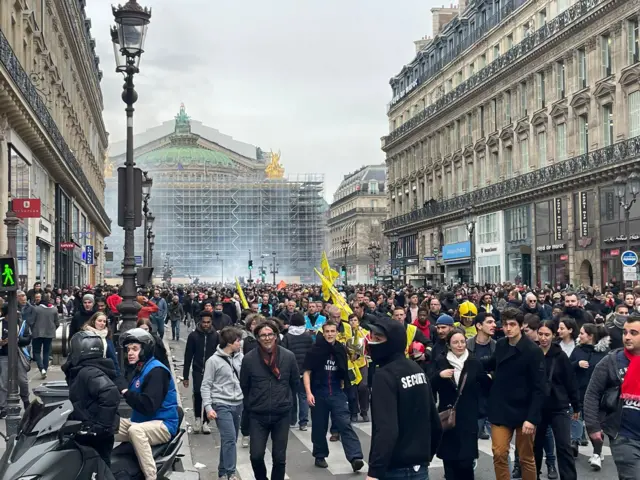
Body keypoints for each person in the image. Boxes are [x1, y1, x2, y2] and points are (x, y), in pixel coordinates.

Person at [366, 315, 442, 480]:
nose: (372, 342)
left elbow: (386, 430)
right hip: (419, 467)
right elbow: (435, 422)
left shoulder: (384, 376)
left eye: (378, 338)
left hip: (394, 469)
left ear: (392, 342)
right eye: (372, 337)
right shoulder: (416, 369)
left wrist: (374, 472)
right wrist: (425, 456)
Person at [484, 308, 546, 480]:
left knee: (526, 457)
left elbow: (540, 387)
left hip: (524, 410)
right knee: (499, 452)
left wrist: (532, 418)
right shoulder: (502, 345)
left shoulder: (533, 351)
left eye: (512, 325)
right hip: (501, 407)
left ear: (521, 326)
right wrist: (468, 360)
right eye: (505, 325)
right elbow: (490, 363)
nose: (508, 328)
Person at [240, 319, 299, 480]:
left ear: (276, 336)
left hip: (281, 413)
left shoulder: (288, 357)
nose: (267, 338)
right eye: (263, 335)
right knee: (256, 456)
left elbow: (295, 383)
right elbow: (244, 386)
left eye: (270, 334)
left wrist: (291, 407)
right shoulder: (249, 359)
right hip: (258, 414)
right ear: (257, 338)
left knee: (279, 458)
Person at [302, 320, 365, 471]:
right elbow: (306, 372)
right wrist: (309, 393)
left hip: (336, 392)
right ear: (323, 334)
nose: (330, 334)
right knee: (319, 427)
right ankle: (320, 455)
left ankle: (355, 457)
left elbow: (345, 368)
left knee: (345, 423)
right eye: (327, 332)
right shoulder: (315, 350)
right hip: (319, 392)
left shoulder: (340, 349)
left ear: (337, 333)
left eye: (332, 331)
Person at [118, 328, 180, 480]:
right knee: (107, 424)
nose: (130, 353)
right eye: (128, 349)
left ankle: (151, 476)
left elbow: (148, 405)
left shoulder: (156, 370)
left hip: (163, 424)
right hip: (142, 421)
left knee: (135, 431)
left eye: (135, 349)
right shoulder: (139, 369)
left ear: (145, 350)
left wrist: (126, 392)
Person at [584, 314, 640, 479]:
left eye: (634, 333)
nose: (627, 337)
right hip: (624, 437)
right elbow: (592, 393)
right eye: (625, 332)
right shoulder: (612, 361)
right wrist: (593, 427)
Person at [431, 328, 491, 479]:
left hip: (468, 417)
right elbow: (429, 384)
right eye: (455, 342)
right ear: (449, 345)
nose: (459, 345)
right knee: (450, 462)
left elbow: (484, 385)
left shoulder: (473, 362)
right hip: (448, 416)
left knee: (466, 462)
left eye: (462, 342)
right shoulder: (441, 361)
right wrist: (439, 375)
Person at [63, 331, 121, 467]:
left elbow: (110, 392)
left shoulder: (89, 372)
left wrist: (100, 426)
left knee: (99, 469)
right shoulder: (86, 370)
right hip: (89, 430)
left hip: (94, 433)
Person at [534, 321, 580, 480]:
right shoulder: (533, 353)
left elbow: (570, 382)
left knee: (564, 446)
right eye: (540, 334)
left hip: (559, 406)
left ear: (553, 335)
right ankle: (534, 476)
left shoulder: (560, 356)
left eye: (547, 334)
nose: (543, 338)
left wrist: (576, 406)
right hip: (537, 407)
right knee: (535, 446)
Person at [201, 327, 244, 480]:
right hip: (221, 403)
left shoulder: (240, 357)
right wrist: (208, 407)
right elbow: (206, 385)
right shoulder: (213, 361)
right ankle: (231, 473)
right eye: (238, 341)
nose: (240, 343)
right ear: (230, 343)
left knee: (229, 440)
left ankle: (222, 471)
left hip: (238, 403)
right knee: (230, 438)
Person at [568, 323, 610, 470]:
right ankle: (574, 442)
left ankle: (597, 454)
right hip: (578, 393)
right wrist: (576, 364)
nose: (579, 336)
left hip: (597, 396)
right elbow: (567, 367)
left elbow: (609, 374)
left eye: (582, 333)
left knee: (593, 425)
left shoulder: (604, 353)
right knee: (576, 418)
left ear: (590, 336)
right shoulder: (577, 350)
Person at [183, 311, 218, 434]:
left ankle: (206, 422)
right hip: (197, 370)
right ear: (200, 322)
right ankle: (197, 418)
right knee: (198, 394)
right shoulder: (193, 336)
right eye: (204, 322)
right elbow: (188, 356)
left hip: (211, 371)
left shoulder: (216, 336)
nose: (206, 325)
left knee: (208, 396)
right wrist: (185, 376)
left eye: (208, 322)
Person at [281, 312, 313, 430]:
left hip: (291, 370)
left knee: (292, 396)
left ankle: (292, 420)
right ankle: (303, 422)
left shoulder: (287, 337)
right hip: (305, 370)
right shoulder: (308, 336)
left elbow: (283, 353)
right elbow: (312, 352)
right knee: (303, 396)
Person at [29, 293, 60, 379]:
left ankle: (41, 368)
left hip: (37, 333)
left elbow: (31, 321)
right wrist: (52, 329)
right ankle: (45, 370)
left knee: (37, 352)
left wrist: (32, 328)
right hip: (49, 334)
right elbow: (57, 323)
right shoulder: (54, 309)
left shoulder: (36, 309)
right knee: (46, 352)